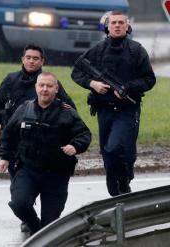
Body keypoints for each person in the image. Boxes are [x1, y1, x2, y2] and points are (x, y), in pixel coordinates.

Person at [0, 44, 75, 233]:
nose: (31, 61)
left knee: (44, 183)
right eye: (28, 57)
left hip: (41, 142)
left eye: (36, 58)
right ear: (22, 59)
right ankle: (27, 214)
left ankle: (44, 219)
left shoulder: (49, 82)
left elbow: (68, 107)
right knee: (19, 183)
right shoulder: (11, 80)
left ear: (42, 61)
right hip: (13, 138)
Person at [71, 10, 156, 196]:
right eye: (113, 22)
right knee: (107, 152)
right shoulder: (97, 50)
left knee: (118, 148)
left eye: (121, 22)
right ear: (107, 26)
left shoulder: (136, 50)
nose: (117, 25)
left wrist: (128, 87)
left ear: (127, 26)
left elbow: (149, 79)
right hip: (104, 110)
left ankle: (124, 180)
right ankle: (116, 189)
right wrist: (92, 83)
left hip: (128, 110)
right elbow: (76, 71)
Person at [0, 72, 91, 235]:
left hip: (56, 173)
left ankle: (43, 232)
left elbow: (84, 134)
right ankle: (35, 228)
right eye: (41, 85)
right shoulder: (24, 109)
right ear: (36, 88)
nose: (44, 89)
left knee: (50, 223)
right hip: (28, 169)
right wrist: (5, 157)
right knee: (19, 204)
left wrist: (75, 146)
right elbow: (8, 135)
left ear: (56, 89)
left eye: (49, 86)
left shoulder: (66, 112)